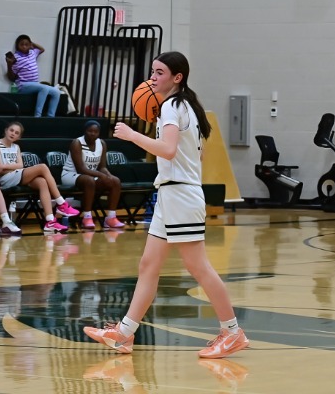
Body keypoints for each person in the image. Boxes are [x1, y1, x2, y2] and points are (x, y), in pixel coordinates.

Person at [83, 51, 249, 359]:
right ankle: (124, 333)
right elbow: (193, 154)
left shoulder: (172, 105)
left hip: (180, 196)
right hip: (172, 194)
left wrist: (132, 135)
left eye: (159, 72)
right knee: (148, 265)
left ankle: (232, 332)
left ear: (177, 77)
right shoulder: (186, 106)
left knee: (198, 267)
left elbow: (169, 150)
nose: (153, 77)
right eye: (152, 71)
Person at [0, 121, 79, 233]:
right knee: (42, 167)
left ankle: (50, 221)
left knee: (42, 182)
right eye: (11, 130)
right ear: (6, 130)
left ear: (19, 137)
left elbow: (20, 165)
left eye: (16, 133)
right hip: (4, 179)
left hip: (17, 175)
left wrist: (4, 166)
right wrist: (10, 167)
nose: (13, 133)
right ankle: (61, 203)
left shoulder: (16, 147)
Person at [61, 120, 125, 230]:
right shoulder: (77, 143)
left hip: (91, 176)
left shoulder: (102, 143)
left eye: (96, 131)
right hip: (70, 175)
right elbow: (81, 169)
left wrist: (108, 175)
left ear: (99, 133)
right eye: (90, 131)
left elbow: (102, 167)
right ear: (85, 131)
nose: (92, 133)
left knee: (115, 181)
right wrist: (101, 175)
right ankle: (87, 217)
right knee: (89, 181)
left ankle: (111, 217)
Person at [5, 34, 62, 117]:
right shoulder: (16, 57)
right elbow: (11, 77)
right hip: (23, 85)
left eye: (26, 44)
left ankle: (51, 116)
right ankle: (37, 115)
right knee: (44, 88)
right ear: (17, 46)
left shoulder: (32, 53)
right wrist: (9, 64)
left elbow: (42, 49)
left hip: (35, 84)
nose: (24, 46)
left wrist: (32, 44)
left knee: (56, 92)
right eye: (21, 44)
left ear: (30, 45)